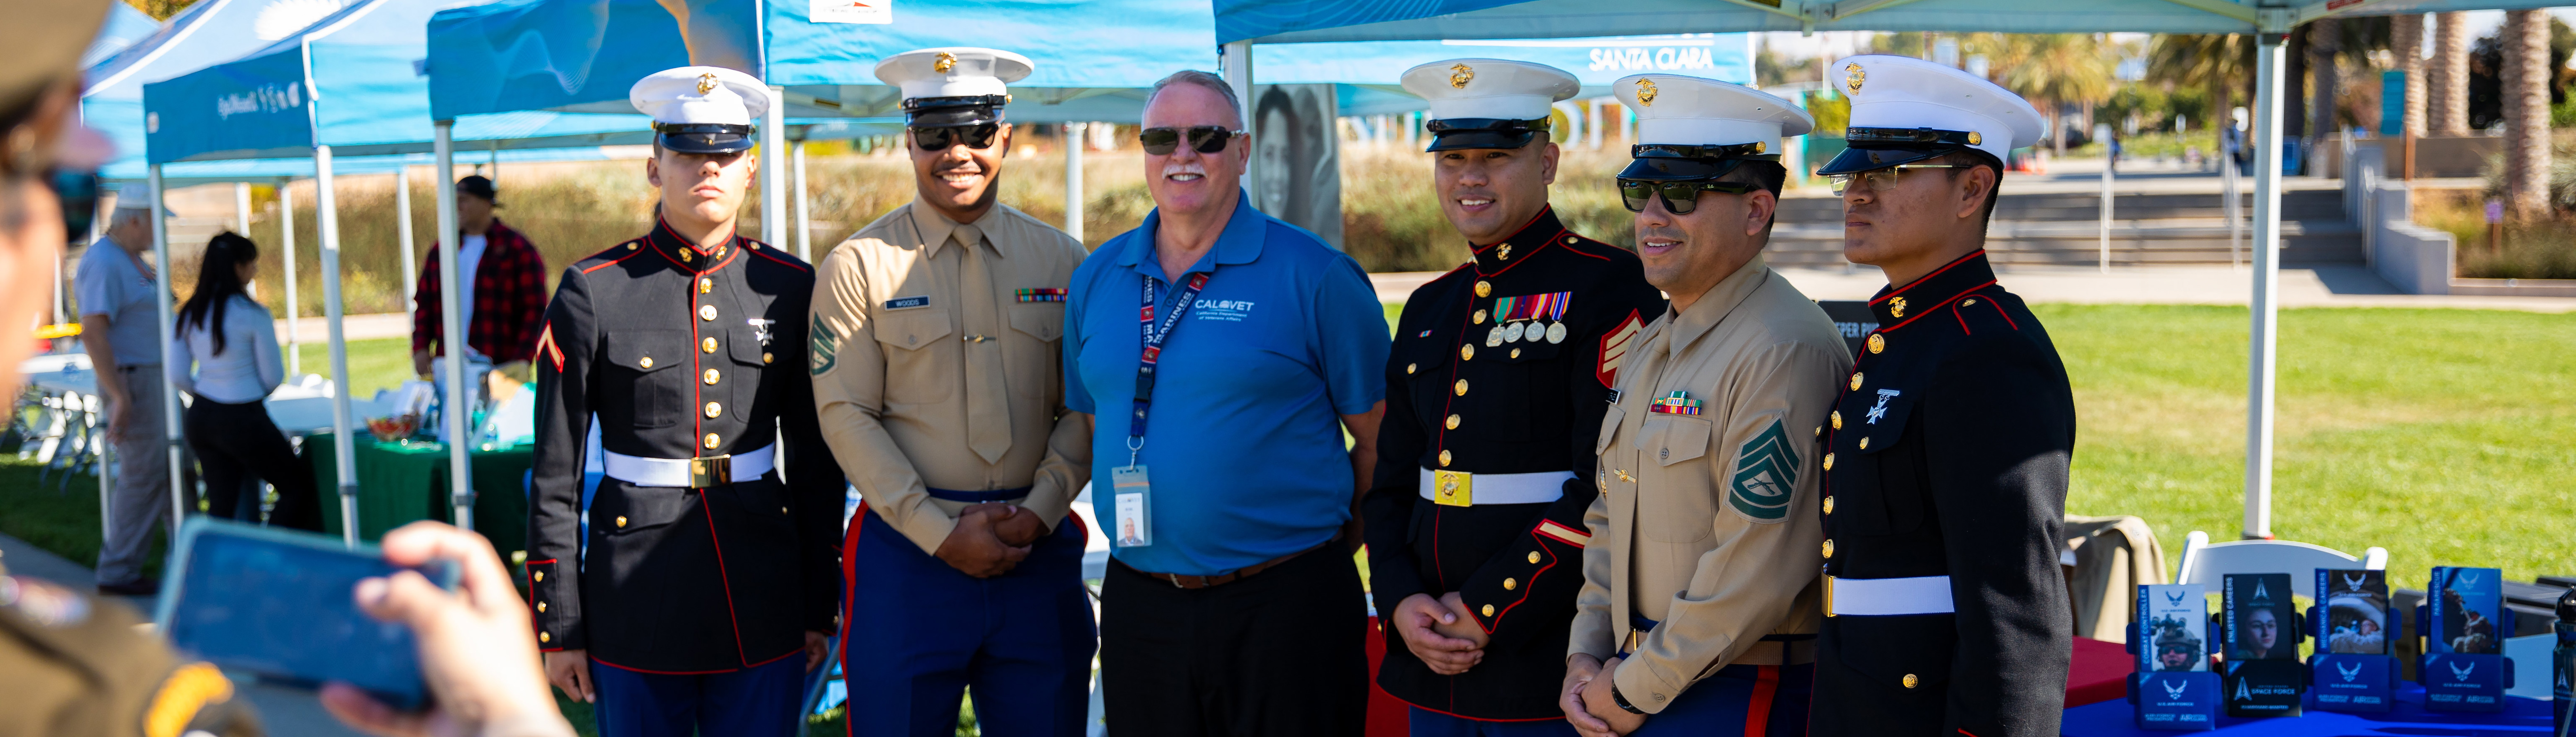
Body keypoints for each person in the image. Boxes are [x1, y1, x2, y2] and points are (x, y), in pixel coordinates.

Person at [1065, 70, 1390, 736]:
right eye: (1162, 137)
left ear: (1242, 151)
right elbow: (1095, 419)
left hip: (1286, 604)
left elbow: (1384, 438)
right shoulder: (1098, 276)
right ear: (1144, 151)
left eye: (1206, 137)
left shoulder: (1317, 275)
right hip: (1141, 602)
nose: (1182, 154)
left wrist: (1329, 546)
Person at [525, 65, 842, 737]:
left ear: (749, 168)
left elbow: (816, 465)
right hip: (637, 592)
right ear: (654, 165)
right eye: (688, 150)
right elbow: (554, 475)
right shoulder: (595, 288)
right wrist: (559, 626)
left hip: (760, 584)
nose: (708, 166)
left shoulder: (788, 285)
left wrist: (820, 604)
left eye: (725, 152)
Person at [1365, 58, 1665, 736]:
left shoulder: (1611, 289)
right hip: (1427, 656)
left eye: (1497, 156)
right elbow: (1391, 481)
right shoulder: (1428, 305)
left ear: (1549, 161)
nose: (1470, 176)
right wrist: (1400, 595)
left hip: (1541, 657)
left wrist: (1485, 608)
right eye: (1453, 157)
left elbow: (1610, 485)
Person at [809, 47, 1096, 736]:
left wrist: (1040, 509)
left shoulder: (1064, 260)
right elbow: (846, 414)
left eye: (973, 132)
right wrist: (938, 534)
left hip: (1036, 551)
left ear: (1004, 137)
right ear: (908, 140)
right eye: (935, 135)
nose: (955, 152)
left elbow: (1086, 403)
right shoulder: (858, 265)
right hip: (909, 561)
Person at [1561, 74, 1845, 737]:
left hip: (1737, 686)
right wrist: (1587, 651)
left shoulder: (1783, 348)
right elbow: (1609, 512)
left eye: (1684, 192)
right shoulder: (1656, 340)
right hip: (1639, 677)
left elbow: (1754, 566)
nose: (1653, 215)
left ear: (1755, 211)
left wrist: (1629, 688)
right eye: (1640, 190)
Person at [1804, 55, 2075, 737]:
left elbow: (2017, 608)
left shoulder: (1987, 349)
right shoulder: (1903, 334)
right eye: (1852, 174)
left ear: (1971, 189)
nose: (1856, 193)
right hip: (1860, 700)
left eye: (1888, 173)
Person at [170, 231, 322, 530]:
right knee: (296, 487)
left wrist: (204, 394)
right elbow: (273, 376)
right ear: (238, 267)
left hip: (202, 415)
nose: (255, 270)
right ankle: (267, 553)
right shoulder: (252, 314)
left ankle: (221, 570)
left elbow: (177, 374)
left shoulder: (189, 314)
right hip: (242, 414)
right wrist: (249, 394)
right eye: (252, 263)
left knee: (221, 506)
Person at [81, 182, 184, 596]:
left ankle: (185, 562)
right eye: (157, 221)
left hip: (152, 377)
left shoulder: (129, 259)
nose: (161, 230)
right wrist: (120, 396)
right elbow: (93, 332)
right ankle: (118, 571)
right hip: (134, 380)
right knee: (144, 475)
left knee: (174, 471)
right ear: (137, 219)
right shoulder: (105, 262)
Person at [410, 174, 547, 403]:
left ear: (486, 204)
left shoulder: (516, 249)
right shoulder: (442, 250)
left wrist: (521, 359)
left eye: (464, 200)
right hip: (448, 366)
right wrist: (421, 347)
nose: (457, 207)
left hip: (498, 366)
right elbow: (425, 303)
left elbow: (535, 310)